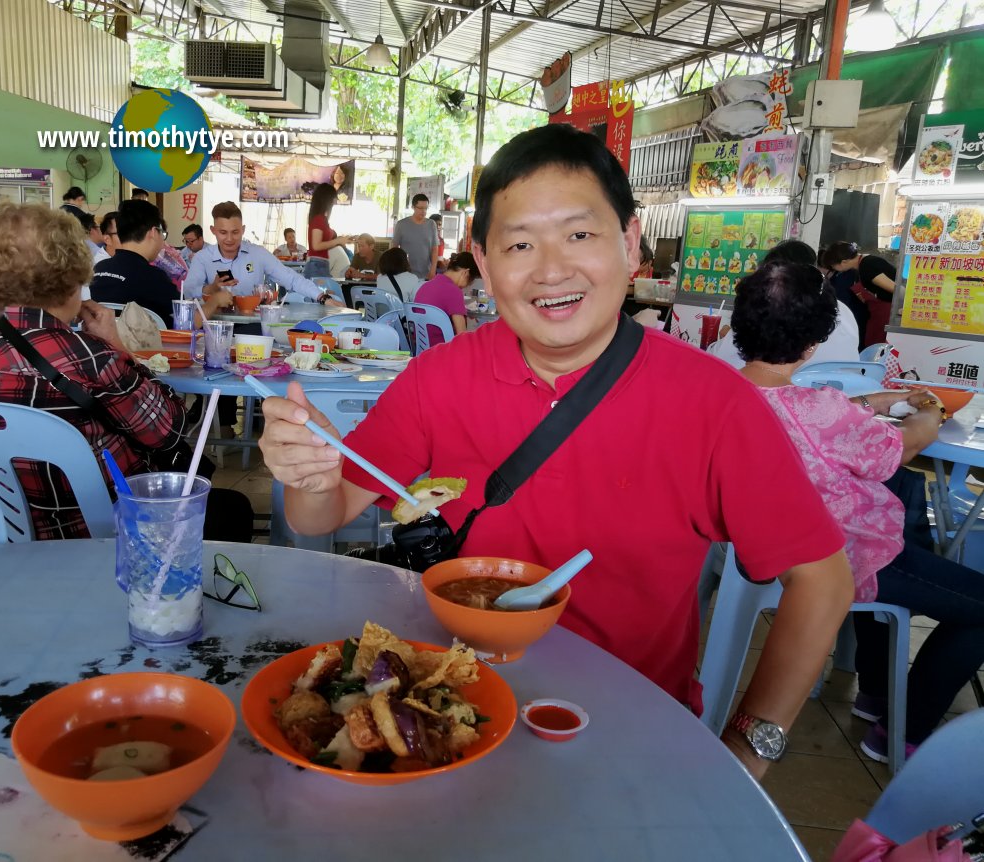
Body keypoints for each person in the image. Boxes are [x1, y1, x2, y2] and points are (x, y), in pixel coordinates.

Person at [256, 123, 854, 779]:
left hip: (621, 737)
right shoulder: (439, 377)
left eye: (579, 234)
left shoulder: (713, 402)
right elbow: (325, 512)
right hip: (451, 712)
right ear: (484, 263)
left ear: (629, 242)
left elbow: (821, 579)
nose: (551, 270)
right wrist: (307, 472)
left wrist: (750, 744)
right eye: (519, 244)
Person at [732, 260, 984, 763]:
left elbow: (815, 409)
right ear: (811, 344)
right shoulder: (822, 412)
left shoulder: (722, 394)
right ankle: (902, 727)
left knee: (895, 545)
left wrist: (877, 401)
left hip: (760, 550)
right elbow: (905, 446)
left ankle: (874, 694)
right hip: (839, 556)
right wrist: (930, 411)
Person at [0, 203, 253, 544]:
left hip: (7, 528)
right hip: (109, 525)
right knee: (233, 508)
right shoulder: (90, 355)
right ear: (71, 274)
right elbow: (170, 427)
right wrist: (118, 346)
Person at [708, 239, 859, 369]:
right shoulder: (842, 309)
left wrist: (729, 337)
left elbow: (719, 361)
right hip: (846, 393)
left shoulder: (768, 307)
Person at [90, 200, 223, 326]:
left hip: (103, 346)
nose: (162, 241)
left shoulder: (99, 269)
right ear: (153, 232)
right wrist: (215, 301)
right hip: (148, 349)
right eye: (162, 234)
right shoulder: (152, 277)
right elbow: (187, 323)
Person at [183, 201, 343, 306]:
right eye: (223, 232)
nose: (230, 239)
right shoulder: (203, 258)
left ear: (243, 230)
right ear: (213, 231)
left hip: (252, 325)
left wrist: (323, 298)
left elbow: (291, 279)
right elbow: (188, 290)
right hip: (213, 324)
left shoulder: (257, 254)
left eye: (236, 232)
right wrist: (211, 288)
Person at [820, 241, 896, 348]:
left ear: (844, 262)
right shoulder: (864, 262)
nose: (833, 270)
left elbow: (897, 289)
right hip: (877, 312)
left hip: (885, 312)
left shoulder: (867, 266)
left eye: (833, 266)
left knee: (876, 347)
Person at [415, 251, 479, 337]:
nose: (466, 286)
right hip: (442, 346)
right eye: (470, 282)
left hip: (420, 346)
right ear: (465, 273)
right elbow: (462, 334)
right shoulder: (454, 291)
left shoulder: (425, 286)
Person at [305, 183, 353, 280]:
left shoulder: (322, 219)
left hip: (321, 264)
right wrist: (338, 241)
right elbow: (316, 245)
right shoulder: (319, 219)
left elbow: (325, 242)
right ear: (326, 200)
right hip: (316, 265)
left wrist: (343, 239)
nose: (334, 203)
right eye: (332, 200)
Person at [392, 193, 438, 281]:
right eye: (420, 208)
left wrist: (433, 270)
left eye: (426, 208)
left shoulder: (431, 224)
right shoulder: (401, 224)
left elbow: (435, 249)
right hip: (405, 274)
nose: (423, 211)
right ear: (413, 207)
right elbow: (394, 249)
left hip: (426, 274)